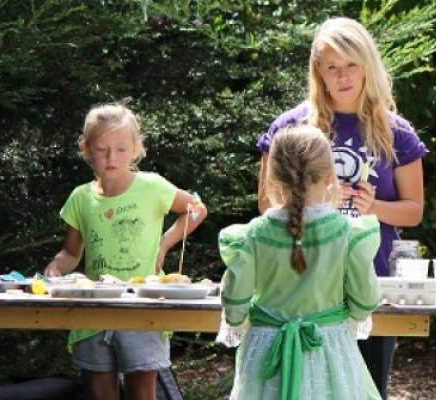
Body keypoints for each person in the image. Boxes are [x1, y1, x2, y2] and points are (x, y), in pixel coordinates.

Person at [256, 17, 428, 399]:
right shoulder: (291, 125)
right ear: (318, 71)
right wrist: (317, 202)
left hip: (370, 287)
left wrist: (376, 207)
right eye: (332, 67)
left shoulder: (395, 130)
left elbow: (414, 210)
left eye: (351, 65)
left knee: (367, 390)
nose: (343, 76)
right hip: (301, 288)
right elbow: (266, 203)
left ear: (368, 64)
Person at [44, 103, 207, 400]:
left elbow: (196, 209)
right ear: (86, 149)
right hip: (94, 311)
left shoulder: (152, 186)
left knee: (142, 394)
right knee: (98, 393)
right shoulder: (81, 198)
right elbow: (70, 254)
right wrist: (54, 272)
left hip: (142, 309)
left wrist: (164, 244)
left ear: (135, 149)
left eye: (120, 149)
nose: (111, 157)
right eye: (102, 149)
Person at [217, 125, 382, 400]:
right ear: (330, 176)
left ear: (272, 176)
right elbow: (365, 299)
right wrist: (354, 316)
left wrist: (237, 321)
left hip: (268, 349)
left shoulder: (253, 235)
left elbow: (235, 300)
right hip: (326, 347)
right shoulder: (348, 233)